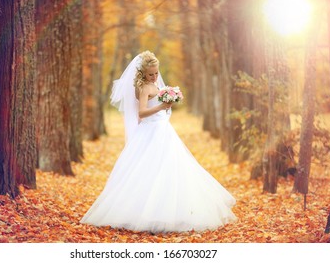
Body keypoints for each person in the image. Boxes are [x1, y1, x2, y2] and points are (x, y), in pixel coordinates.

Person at [80, 51, 236, 233]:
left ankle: (169, 212)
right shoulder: (145, 88)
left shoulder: (153, 85)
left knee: (170, 169)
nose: (155, 77)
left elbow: (159, 107)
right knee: (150, 170)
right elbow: (142, 113)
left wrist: (169, 100)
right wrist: (163, 106)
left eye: (156, 73)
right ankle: (146, 214)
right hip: (151, 131)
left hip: (162, 130)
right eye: (150, 74)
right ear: (143, 74)